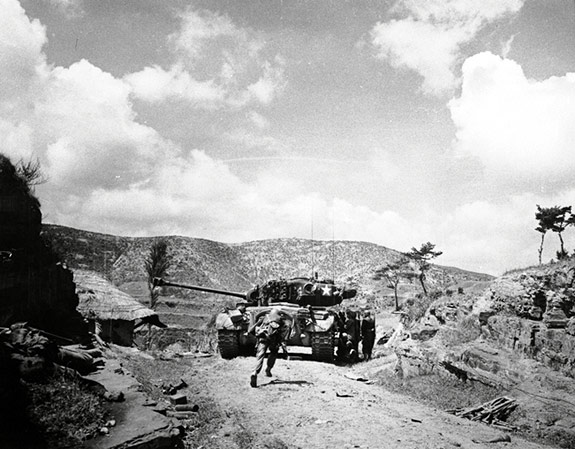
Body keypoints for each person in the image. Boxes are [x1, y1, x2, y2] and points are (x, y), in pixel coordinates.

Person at [247, 307, 289, 388]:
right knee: (273, 354)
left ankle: (255, 372)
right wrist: (283, 344)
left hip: (263, 339)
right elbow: (284, 335)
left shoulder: (264, 318)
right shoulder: (282, 321)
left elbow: (252, 329)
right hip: (274, 341)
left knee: (260, 355)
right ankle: (268, 369)